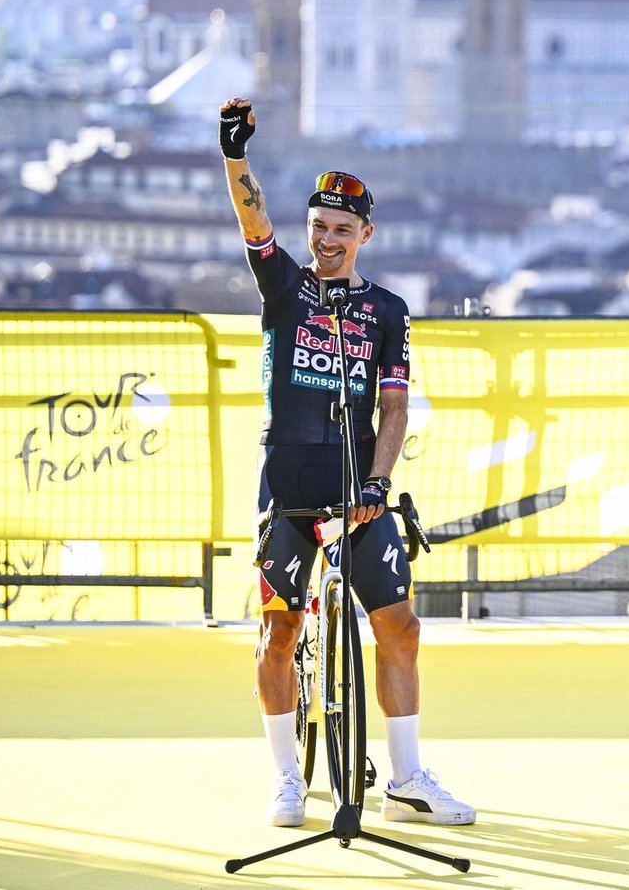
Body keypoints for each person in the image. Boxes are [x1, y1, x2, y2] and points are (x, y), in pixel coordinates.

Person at [220, 97, 474, 830]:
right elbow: (252, 221)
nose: (327, 241)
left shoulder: (388, 311)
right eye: (318, 229)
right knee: (278, 634)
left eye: (341, 230)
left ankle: (407, 778)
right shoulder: (286, 287)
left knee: (401, 626)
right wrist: (237, 159)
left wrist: (379, 481)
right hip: (292, 486)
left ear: (365, 233)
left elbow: (394, 410)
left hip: (358, 489)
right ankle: (286, 778)